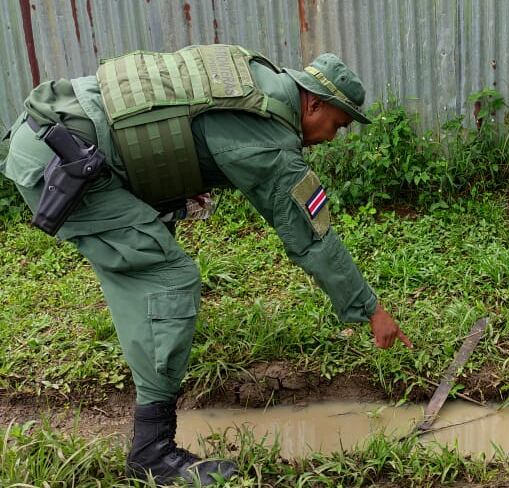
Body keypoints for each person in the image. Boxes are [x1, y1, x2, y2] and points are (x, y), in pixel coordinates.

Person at [0, 45, 412, 485]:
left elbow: (169, 119)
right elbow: (311, 236)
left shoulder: (254, 74)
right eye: (339, 124)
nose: (334, 137)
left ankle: (155, 379)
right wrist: (370, 308)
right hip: (68, 161)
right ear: (313, 102)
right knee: (167, 278)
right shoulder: (269, 137)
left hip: (57, 132)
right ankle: (152, 453)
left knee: (151, 261)